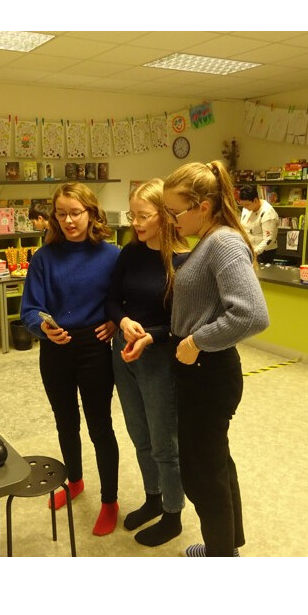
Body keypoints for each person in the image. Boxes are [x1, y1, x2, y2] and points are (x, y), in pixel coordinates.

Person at [163, 160, 270, 557]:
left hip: (207, 372)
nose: (171, 220)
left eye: (175, 212)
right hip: (198, 370)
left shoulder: (222, 243)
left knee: (203, 474)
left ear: (202, 207)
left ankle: (221, 555)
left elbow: (252, 315)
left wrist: (197, 341)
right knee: (215, 463)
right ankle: (226, 548)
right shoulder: (209, 240)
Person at [19, 183, 122, 536]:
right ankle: (75, 481)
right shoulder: (44, 258)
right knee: (65, 422)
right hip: (55, 349)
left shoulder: (112, 255)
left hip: (95, 348)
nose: (68, 221)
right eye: (61, 214)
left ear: (91, 213)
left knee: (100, 427)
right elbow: (29, 308)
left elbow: (123, 300)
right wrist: (42, 328)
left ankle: (110, 501)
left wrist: (115, 319)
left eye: (75, 213)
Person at [106, 179, 191, 547]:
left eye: (144, 216)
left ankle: (172, 514)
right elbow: (111, 299)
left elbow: (182, 323)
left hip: (158, 357)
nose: (136, 223)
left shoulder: (183, 260)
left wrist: (150, 336)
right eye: (133, 215)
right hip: (124, 352)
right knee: (139, 435)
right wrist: (123, 321)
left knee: (163, 443)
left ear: (165, 215)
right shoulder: (130, 252)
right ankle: (153, 498)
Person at [237, 185, 279, 264]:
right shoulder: (246, 209)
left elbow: (269, 239)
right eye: (242, 205)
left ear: (255, 200)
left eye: (247, 204)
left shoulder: (268, 213)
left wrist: (254, 253)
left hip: (263, 252)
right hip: (248, 249)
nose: (245, 207)